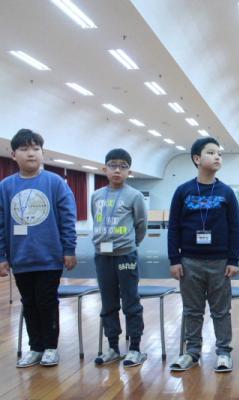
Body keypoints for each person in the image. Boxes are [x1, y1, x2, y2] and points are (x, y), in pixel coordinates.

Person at [0, 128, 77, 368]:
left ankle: (50, 348)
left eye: (36, 148)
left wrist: (69, 249)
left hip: (50, 258)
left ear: (43, 153)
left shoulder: (55, 182)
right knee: (29, 303)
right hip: (20, 258)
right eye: (24, 149)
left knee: (46, 301)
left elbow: (68, 218)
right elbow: (0, 224)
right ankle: (35, 348)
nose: (31, 153)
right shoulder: (5, 186)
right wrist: (2, 256)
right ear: (14, 155)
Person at [168, 137, 239, 373]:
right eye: (211, 152)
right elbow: (173, 228)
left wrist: (233, 259)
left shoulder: (226, 192)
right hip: (189, 262)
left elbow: (234, 228)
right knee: (192, 310)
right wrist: (174, 259)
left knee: (221, 311)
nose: (217, 156)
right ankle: (192, 352)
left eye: (219, 153)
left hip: (220, 262)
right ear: (197, 159)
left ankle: (223, 353)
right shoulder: (183, 191)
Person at [92, 148, 148, 367]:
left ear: (129, 172)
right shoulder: (96, 195)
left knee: (131, 302)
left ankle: (135, 348)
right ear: (104, 169)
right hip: (102, 256)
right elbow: (97, 221)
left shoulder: (134, 195)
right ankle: (113, 348)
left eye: (123, 166)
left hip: (126, 255)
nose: (117, 170)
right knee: (108, 303)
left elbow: (141, 225)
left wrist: (131, 244)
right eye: (113, 165)